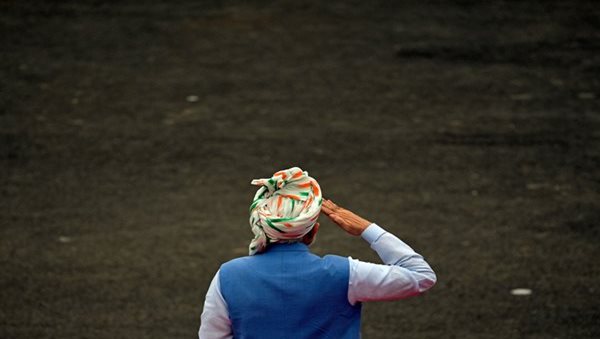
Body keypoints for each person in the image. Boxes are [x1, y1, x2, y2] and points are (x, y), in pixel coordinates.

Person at [198, 167, 436, 339]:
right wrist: (366, 228)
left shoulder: (227, 276)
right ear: (312, 233)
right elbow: (421, 275)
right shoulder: (345, 274)